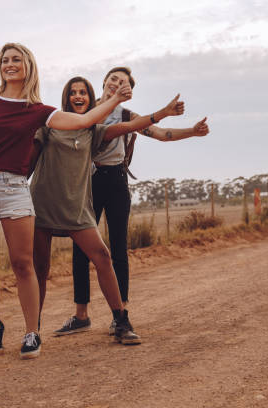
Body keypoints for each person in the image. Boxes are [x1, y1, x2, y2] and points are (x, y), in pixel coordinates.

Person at [0, 43, 132, 359]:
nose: (9, 64)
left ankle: (32, 334)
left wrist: (114, 98)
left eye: (16, 59)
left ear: (28, 66)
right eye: (4, 59)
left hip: (15, 188)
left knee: (22, 263)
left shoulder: (38, 111)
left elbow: (83, 122)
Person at [54, 67, 209, 337]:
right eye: (113, 79)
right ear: (104, 83)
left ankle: (120, 314)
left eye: (123, 82)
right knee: (80, 248)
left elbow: (161, 134)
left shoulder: (127, 116)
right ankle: (81, 315)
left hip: (114, 180)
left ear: (129, 91)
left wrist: (192, 131)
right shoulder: (86, 110)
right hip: (85, 183)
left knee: (118, 247)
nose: (116, 83)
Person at [31, 76, 186, 344]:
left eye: (83, 93)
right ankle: (32, 331)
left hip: (75, 207)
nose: (78, 96)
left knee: (103, 256)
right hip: (42, 204)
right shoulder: (47, 129)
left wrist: (163, 113)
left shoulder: (95, 132)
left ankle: (121, 321)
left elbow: (132, 125)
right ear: (66, 98)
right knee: (40, 269)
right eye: (73, 92)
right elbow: (25, 160)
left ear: (91, 100)